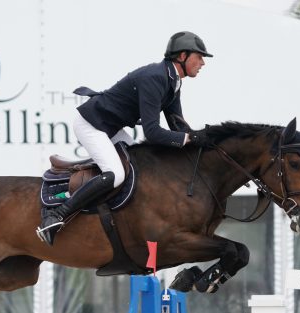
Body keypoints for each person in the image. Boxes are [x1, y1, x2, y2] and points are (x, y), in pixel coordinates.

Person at [36, 31, 214, 245]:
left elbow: (177, 124)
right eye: (199, 56)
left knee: (144, 168)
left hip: (110, 127)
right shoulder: (155, 78)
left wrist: (202, 142)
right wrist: (190, 138)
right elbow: (152, 132)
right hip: (91, 124)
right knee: (117, 174)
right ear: (183, 56)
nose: (203, 62)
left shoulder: (172, 82)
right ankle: (56, 215)